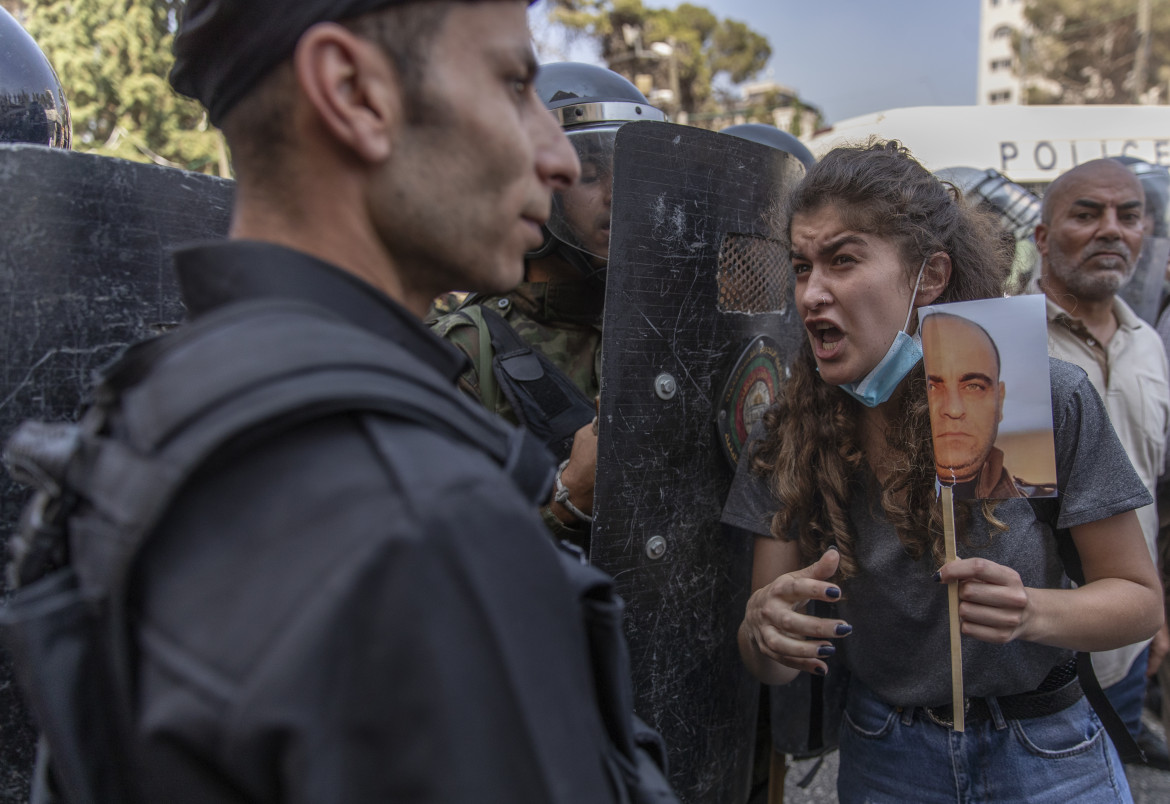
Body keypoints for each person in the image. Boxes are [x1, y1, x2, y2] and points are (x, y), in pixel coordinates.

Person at [85, 1, 661, 800]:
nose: (558, 159)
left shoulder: (160, 408)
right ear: (353, 92)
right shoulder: (424, 514)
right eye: (512, 84)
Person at [723, 140, 1163, 802]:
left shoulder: (1034, 396)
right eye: (802, 265)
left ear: (929, 276)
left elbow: (1137, 599)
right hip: (886, 757)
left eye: (842, 261)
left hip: (1048, 755)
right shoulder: (788, 430)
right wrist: (764, 629)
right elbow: (771, 663)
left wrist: (1032, 612)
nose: (813, 293)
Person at [431, 62, 665, 549]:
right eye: (591, 174)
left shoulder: (667, 323)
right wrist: (568, 498)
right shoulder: (466, 353)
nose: (617, 194)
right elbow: (446, 563)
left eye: (631, 173)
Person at [1032, 158, 1170, 764]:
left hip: (1129, 647)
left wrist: (1156, 611)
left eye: (1129, 215)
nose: (1112, 230)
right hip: (1035, 658)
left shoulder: (1150, 343)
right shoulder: (997, 343)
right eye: (1086, 214)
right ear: (1041, 237)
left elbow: (1154, 491)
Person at [921, 312, 1026, 499]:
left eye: (973, 386)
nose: (953, 409)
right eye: (932, 387)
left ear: (999, 400)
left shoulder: (1035, 505)